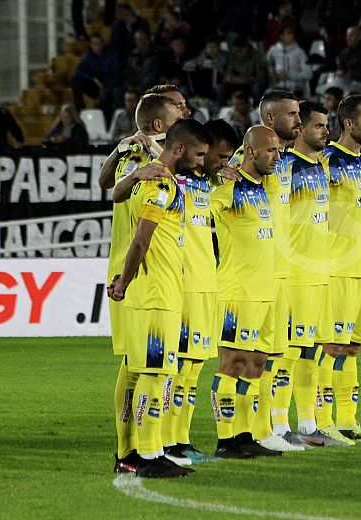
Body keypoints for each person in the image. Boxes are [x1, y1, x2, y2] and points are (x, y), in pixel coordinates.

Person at [108, 116, 209, 478]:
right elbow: (141, 240)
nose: (201, 162)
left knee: (135, 372)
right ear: (178, 149)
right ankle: (150, 455)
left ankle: (127, 453)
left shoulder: (147, 180)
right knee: (156, 374)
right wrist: (124, 280)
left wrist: (133, 176)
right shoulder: (162, 187)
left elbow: (115, 193)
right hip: (156, 294)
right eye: (198, 155)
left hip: (148, 293)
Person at [105, 93, 181, 476]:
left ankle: (135, 450)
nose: (185, 111)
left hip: (147, 273)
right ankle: (141, 450)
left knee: (139, 366)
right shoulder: (139, 159)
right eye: (179, 109)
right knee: (139, 366)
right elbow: (109, 186)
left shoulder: (162, 165)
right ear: (158, 124)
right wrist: (124, 154)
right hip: (133, 272)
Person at [275, 101, 350, 447]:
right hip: (295, 274)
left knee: (310, 351)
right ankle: (277, 426)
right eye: (319, 126)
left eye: (327, 125)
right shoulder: (285, 166)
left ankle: (307, 425)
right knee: (287, 354)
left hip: (320, 271)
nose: (326, 132)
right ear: (300, 128)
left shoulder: (321, 165)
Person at [161, 120, 236, 465]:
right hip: (184, 286)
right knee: (176, 369)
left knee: (191, 369)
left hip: (208, 284)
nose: (222, 161)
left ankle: (181, 441)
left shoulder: (209, 186)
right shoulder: (173, 183)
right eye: (216, 156)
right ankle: (166, 443)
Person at [209, 125, 286, 459]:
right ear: (251, 151)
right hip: (238, 291)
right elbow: (197, 208)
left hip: (267, 291)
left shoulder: (261, 187)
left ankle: (245, 434)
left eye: (279, 151)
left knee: (257, 363)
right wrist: (213, 175)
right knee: (232, 363)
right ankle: (225, 439)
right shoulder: (229, 187)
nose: (278, 157)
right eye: (271, 151)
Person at [237, 90, 305, 453]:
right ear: (269, 119)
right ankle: (247, 432)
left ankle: (266, 431)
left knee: (269, 358)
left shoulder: (284, 161)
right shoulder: (246, 163)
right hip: (251, 279)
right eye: (291, 114)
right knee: (248, 358)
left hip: (280, 274)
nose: (298, 119)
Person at [317, 94, 361, 443]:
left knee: (352, 347)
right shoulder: (327, 161)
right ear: (347, 123)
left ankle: (347, 421)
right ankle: (320, 422)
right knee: (330, 346)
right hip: (335, 270)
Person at [98, 84, 191, 193]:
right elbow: (104, 183)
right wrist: (120, 149)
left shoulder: (187, 145)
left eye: (184, 105)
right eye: (178, 106)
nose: (187, 111)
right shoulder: (134, 149)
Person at [71, 33, 124, 125]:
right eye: (94, 44)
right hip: (95, 85)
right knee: (75, 80)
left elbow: (116, 75)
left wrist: (104, 88)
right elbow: (79, 70)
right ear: (91, 45)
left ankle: (108, 124)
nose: (97, 46)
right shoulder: (89, 56)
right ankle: (80, 110)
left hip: (110, 86)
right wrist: (93, 78)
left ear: (103, 44)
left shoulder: (112, 55)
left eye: (99, 43)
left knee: (105, 98)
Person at [218, 37, 266, 105]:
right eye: (236, 51)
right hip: (236, 83)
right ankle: (223, 110)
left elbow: (261, 77)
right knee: (221, 88)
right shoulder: (232, 55)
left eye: (240, 51)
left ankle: (256, 109)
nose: (237, 54)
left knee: (257, 89)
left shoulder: (256, 56)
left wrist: (245, 79)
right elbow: (228, 72)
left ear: (246, 48)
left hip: (251, 83)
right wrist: (229, 78)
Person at [265, 26, 312, 95]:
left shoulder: (299, 52)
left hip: (296, 88)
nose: (292, 35)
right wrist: (273, 76)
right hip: (277, 87)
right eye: (288, 33)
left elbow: (308, 74)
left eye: (292, 33)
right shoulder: (273, 50)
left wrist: (289, 76)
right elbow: (267, 65)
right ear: (281, 36)